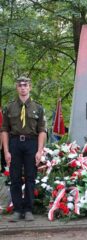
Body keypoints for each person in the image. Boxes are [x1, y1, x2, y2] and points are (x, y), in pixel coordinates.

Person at [1, 76, 47, 222]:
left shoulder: (38, 108)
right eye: (20, 85)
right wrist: (6, 151)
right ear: (17, 87)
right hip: (14, 143)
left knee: (30, 177)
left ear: (30, 87)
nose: (22, 87)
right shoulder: (9, 107)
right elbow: (4, 130)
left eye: (25, 85)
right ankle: (17, 210)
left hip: (31, 144)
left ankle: (28, 210)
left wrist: (39, 151)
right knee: (14, 178)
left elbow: (42, 131)